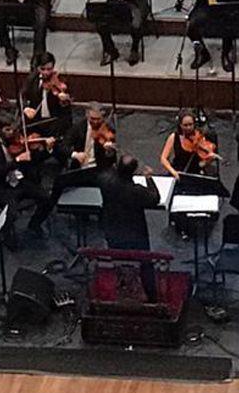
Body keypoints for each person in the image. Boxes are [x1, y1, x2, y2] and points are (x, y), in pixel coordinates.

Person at [0, 118, 56, 246]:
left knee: (47, 198)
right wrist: (18, 160)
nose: (12, 133)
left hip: (19, 181)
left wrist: (46, 149)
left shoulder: (17, 140)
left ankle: (34, 224)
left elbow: (33, 160)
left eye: (13, 129)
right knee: (12, 212)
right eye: (7, 130)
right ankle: (6, 235)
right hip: (0, 187)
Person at [101, 155, 162, 300]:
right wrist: (149, 178)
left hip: (113, 232)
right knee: (145, 263)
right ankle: (151, 295)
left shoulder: (106, 183)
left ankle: (123, 287)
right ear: (133, 172)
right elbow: (155, 198)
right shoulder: (136, 191)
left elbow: (104, 173)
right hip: (135, 235)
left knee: (119, 261)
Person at [21, 53, 74, 132]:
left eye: (49, 69)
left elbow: (67, 108)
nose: (46, 72)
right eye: (43, 69)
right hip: (37, 121)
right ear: (38, 68)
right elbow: (22, 95)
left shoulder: (61, 80)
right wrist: (26, 108)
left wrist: (63, 101)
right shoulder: (32, 79)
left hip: (55, 121)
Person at [160, 110, 219, 178]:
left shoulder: (200, 137)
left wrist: (209, 160)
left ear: (194, 124)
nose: (188, 128)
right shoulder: (174, 137)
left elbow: (200, 165)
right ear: (180, 125)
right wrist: (173, 171)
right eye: (185, 125)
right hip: (177, 174)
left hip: (194, 175)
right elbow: (163, 158)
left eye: (191, 124)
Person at [64, 103, 119, 173]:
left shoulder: (109, 128)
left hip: (99, 168)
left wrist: (109, 151)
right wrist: (75, 154)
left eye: (98, 119)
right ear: (87, 115)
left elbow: (113, 158)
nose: (95, 122)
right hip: (79, 167)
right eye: (92, 118)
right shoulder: (77, 127)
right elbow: (64, 146)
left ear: (103, 117)